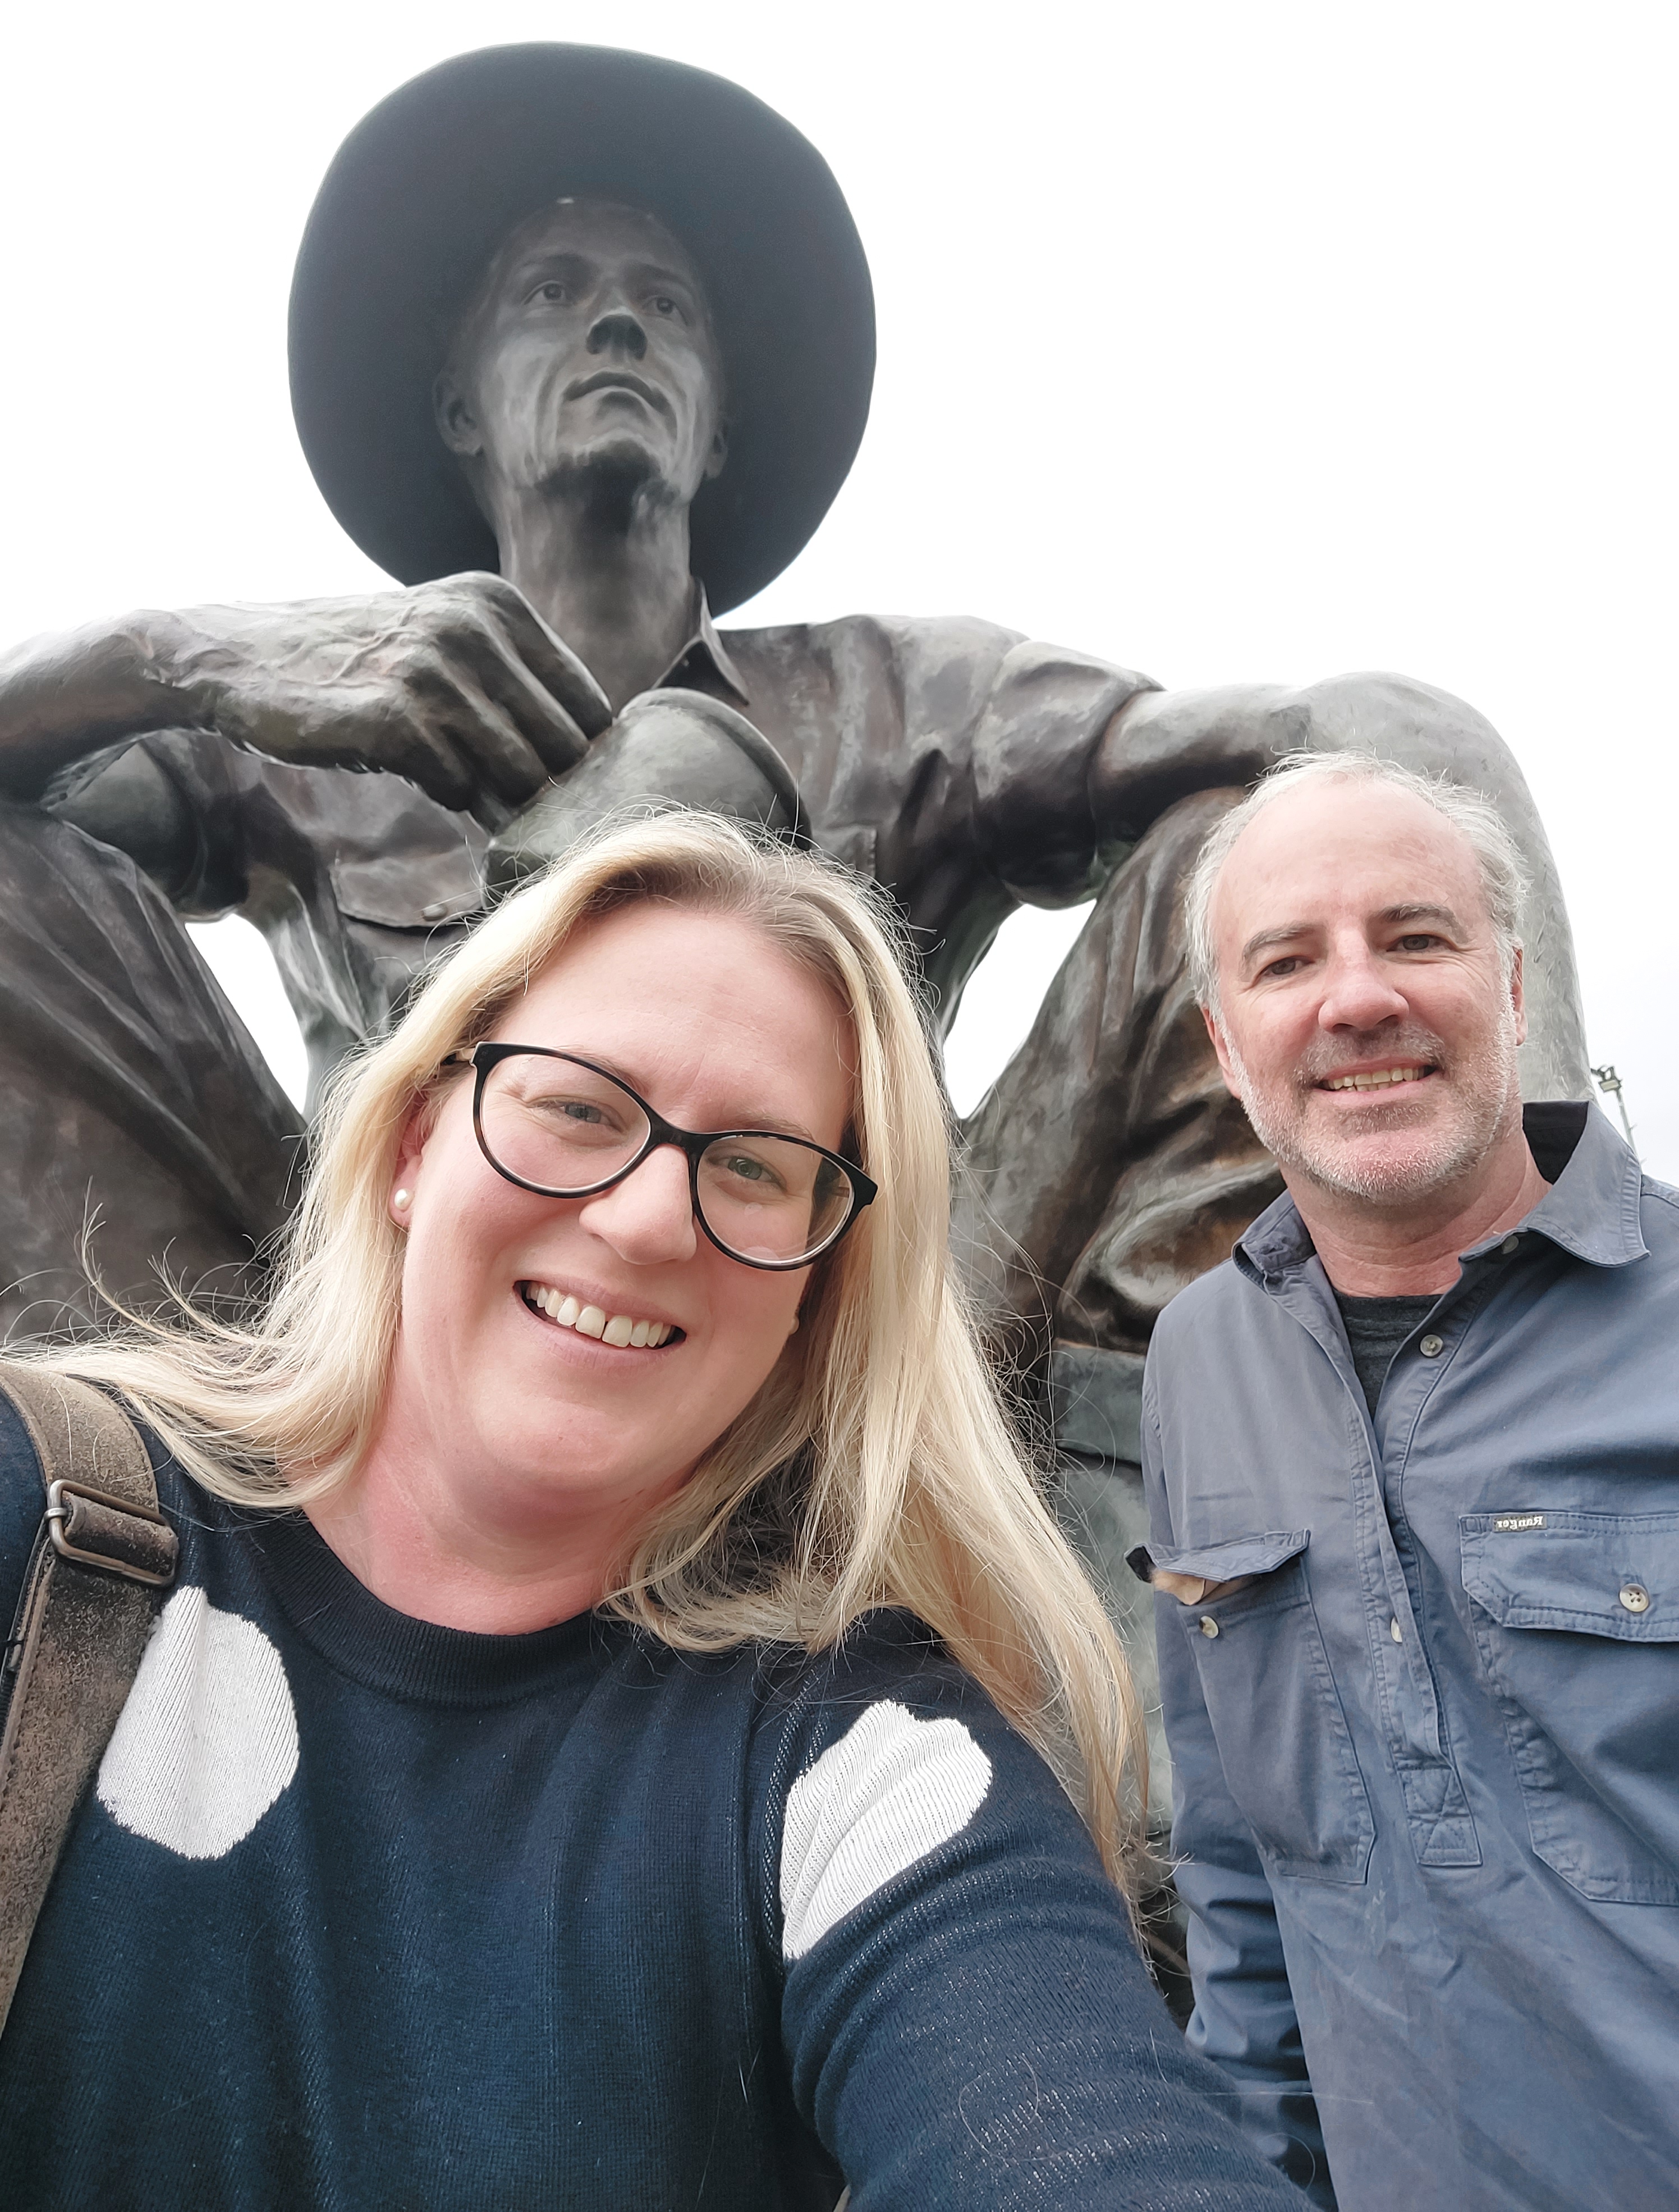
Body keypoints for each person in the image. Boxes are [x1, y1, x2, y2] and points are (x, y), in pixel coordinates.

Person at [0, 44, 1588, 1493]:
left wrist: (1559, 1254)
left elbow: (1349, 738)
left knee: (1285, 844)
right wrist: (180, 659)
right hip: (368, 1345)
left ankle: (1320, 1468)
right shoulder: (290, 722)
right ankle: (125, 1540)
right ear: (455, 410)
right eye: (552, 291)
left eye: (667, 305)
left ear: (716, 434)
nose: (617, 323)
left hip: (841, 1357)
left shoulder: (896, 693)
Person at [0, 809, 1305, 2206]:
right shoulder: (40, 1514)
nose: (641, 1220)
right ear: (414, 1139)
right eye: (575, 1107)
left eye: (752, 1164)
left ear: (815, 1292)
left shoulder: (853, 1750)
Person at [1134, 750, 1679, 2209]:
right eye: (1286, 961)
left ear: (1512, 984)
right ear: (1226, 1042)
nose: (1357, 997)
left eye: (1414, 936)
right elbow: (1241, 1880)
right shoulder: (1197, 1361)